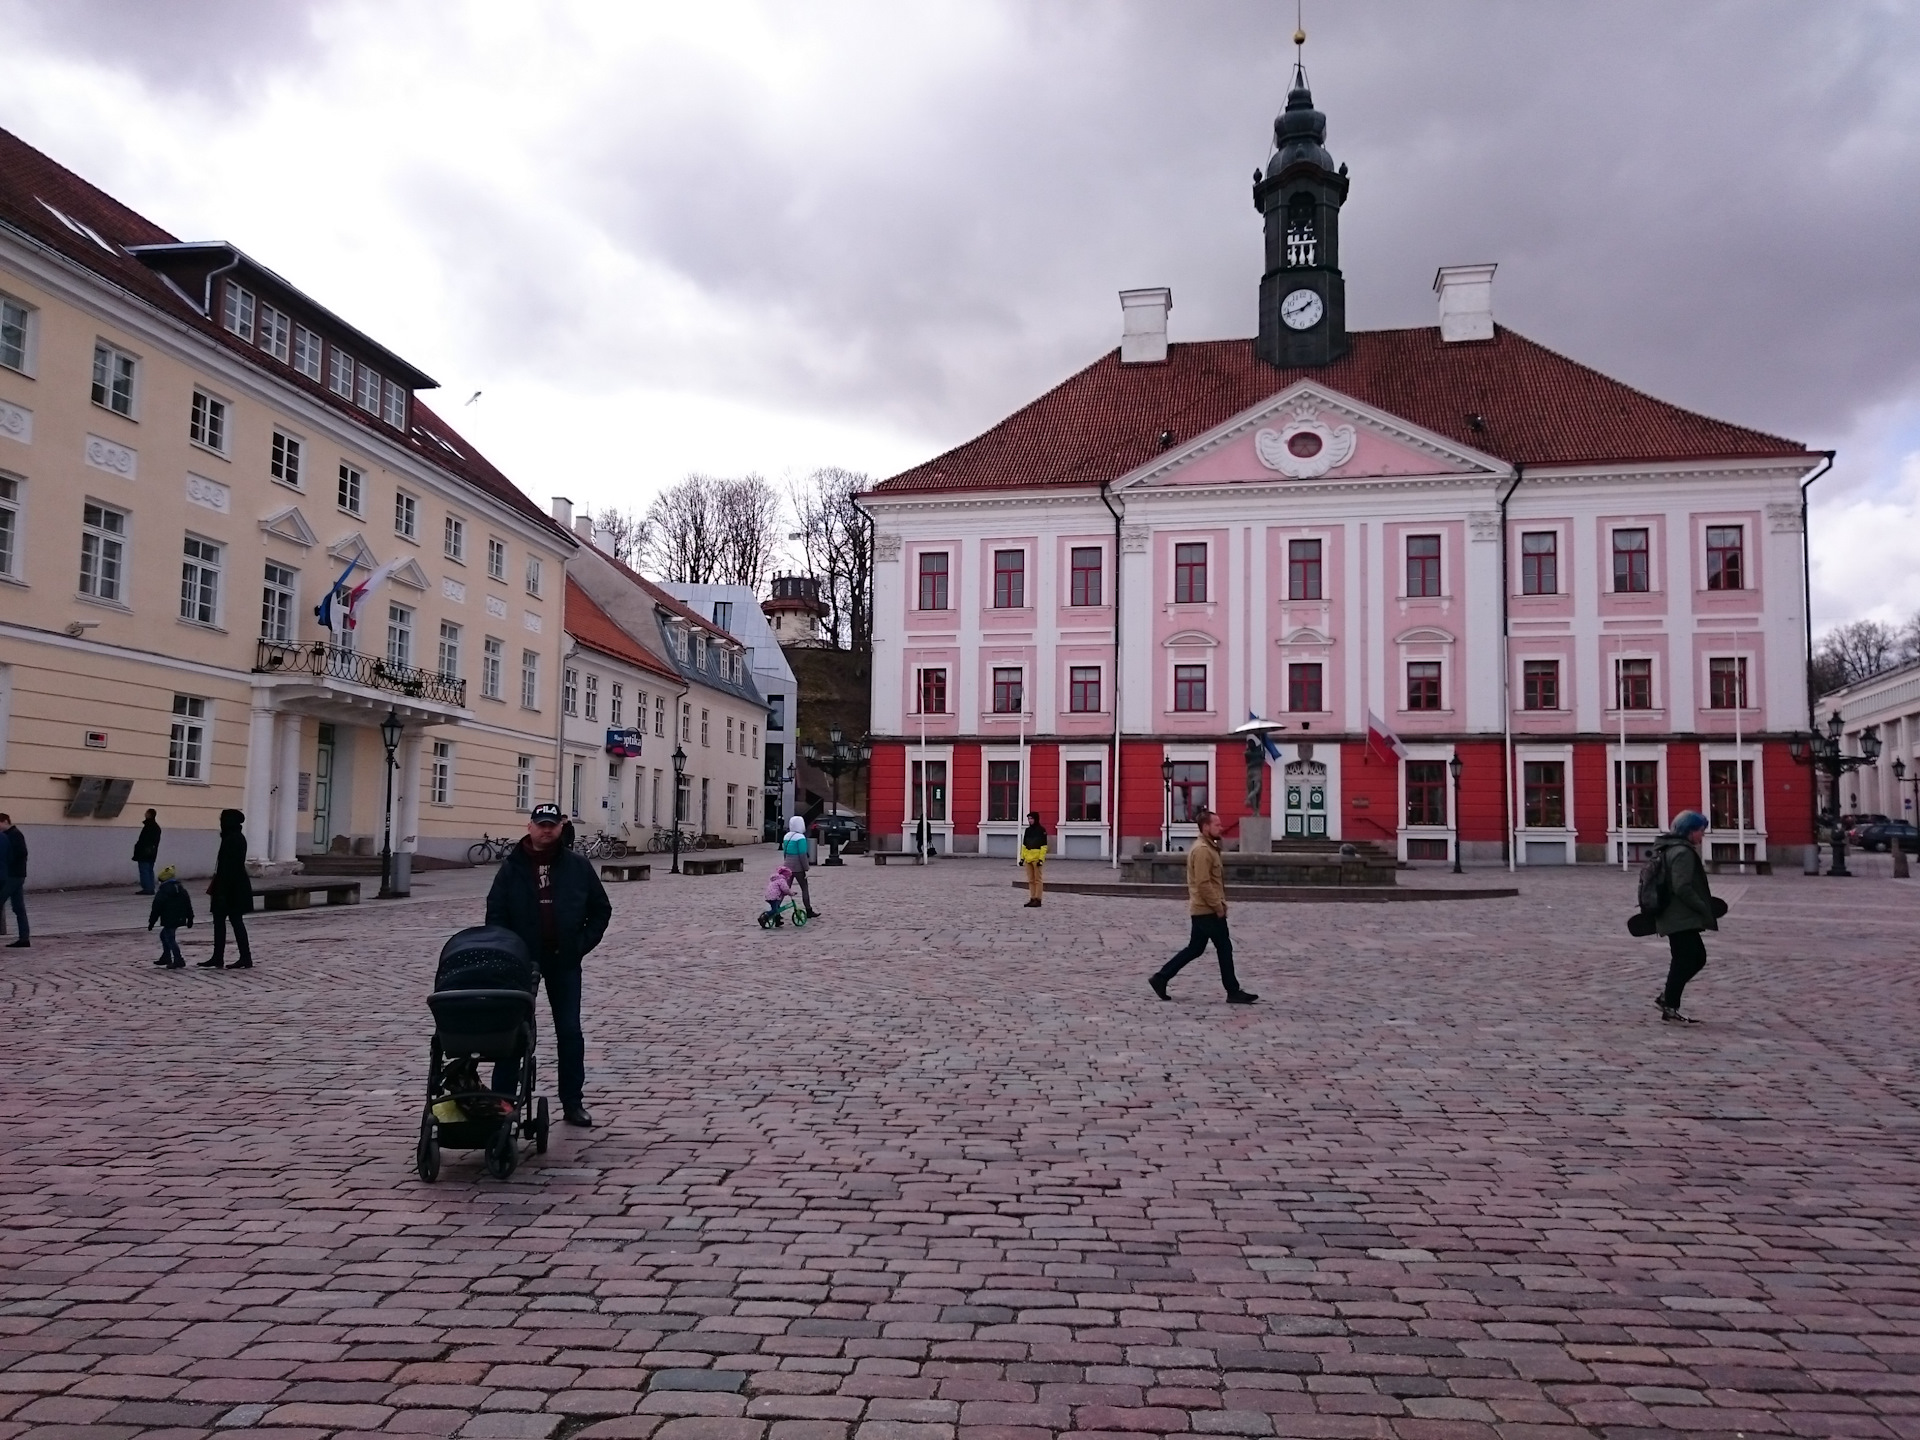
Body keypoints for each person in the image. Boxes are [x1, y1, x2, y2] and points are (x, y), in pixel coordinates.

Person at [486, 802, 612, 1127]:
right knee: (513, 1031)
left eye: (551, 825)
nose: (546, 830)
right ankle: (503, 1100)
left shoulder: (577, 867)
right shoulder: (512, 867)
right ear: (529, 826)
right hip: (520, 962)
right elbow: (495, 914)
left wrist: (579, 946)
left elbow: (600, 910)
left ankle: (572, 1102)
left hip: (564, 960)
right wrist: (508, 951)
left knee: (569, 1031)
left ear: (560, 828)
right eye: (540, 824)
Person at [1149, 808, 1258, 1004]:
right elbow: (1203, 883)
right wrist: (1218, 906)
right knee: (1224, 947)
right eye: (1216, 824)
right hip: (1207, 910)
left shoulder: (1208, 848)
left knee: (1196, 948)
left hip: (1203, 909)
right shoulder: (1202, 850)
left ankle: (1161, 977)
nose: (1221, 827)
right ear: (1206, 827)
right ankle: (1233, 991)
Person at [1651, 810, 1720, 1023]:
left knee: (1686, 959)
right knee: (1694, 958)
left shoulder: (1671, 848)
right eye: (1701, 831)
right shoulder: (1682, 852)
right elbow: (1682, 887)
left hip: (1674, 916)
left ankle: (1668, 1002)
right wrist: (1702, 907)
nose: (1702, 836)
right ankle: (1668, 1001)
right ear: (1690, 831)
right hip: (1679, 917)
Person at [201, 808, 254, 969]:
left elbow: (229, 867)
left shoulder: (234, 839)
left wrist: (222, 891)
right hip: (229, 885)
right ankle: (219, 956)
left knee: (235, 921)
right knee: (222, 921)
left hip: (231, 886)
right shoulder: (232, 837)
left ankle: (244, 957)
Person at [148, 865, 194, 969]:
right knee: (164, 935)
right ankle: (166, 956)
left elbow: (156, 908)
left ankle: (178, 959)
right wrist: (190, 918)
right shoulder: (181, 889)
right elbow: (188, 904)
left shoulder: (163, 891)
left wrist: (151, 922)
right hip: (180, 918)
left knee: (169, 938)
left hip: (169, 919)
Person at [0, 813, 29, 948]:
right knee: (18, 907)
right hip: (18, 874)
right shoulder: (12, 834)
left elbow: (21, 853)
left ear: (5, 821)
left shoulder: (15, 834)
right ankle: (24, 938)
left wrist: (10, 861)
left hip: (13, 875)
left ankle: (24, 938)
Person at [782, 816, 817, 918]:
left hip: (787, 865)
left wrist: (786, 863)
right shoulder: (800, 837)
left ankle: (776, 910)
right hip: (798, 867)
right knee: (804, 888)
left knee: (784, 888)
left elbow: (784, 852)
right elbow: (802, 855)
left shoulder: (786, 836)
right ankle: (808, 910)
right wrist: (806, 868)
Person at [1019, 811, 1048, 907]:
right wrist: (1022, 858)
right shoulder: (1027, 830)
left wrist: (1041, 859)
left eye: (1031, 818)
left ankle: (1038, 899)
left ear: (1036, 819)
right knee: (1030, 880)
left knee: (1038, 880)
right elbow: (1024, 845)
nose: (1030, 820)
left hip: (1036, 858)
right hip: (1028, 858)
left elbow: (1044, 847)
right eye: (1029, 819)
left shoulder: (1041, 830)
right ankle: (1032, 898)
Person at [132, 809, 162, 894]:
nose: (144, 814)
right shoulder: (156, 827)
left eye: (146, 813)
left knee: (144, 870)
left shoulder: (149, 826)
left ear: (149, 814)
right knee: (149, 870)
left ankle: (147, 888)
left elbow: (144, 840)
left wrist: (139, 848)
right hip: (152, 852)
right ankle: (151, 887)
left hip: (145, 852)